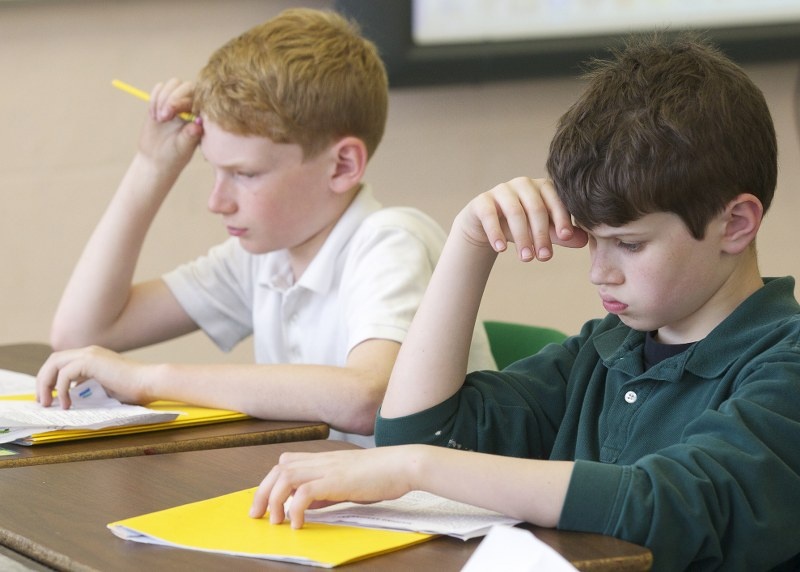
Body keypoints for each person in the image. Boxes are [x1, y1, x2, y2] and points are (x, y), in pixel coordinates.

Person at [249, 33, 800, 570]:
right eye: (592, 239)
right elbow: (417, 431)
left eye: (629, 244)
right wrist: (470, 241)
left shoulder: (785, 365)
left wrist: (417, 468)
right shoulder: (605, 350)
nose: (598, 271)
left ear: (736, 223)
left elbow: (666, 506)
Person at [34, 8, 496, 447]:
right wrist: (152, 166)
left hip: (436, 505)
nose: (217, 202)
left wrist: (148, 379)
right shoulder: (265, 257)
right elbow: (83, 333)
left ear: (342, 165)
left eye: (246, 174)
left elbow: (367, 398)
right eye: (215, 170)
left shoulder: (391, 240)